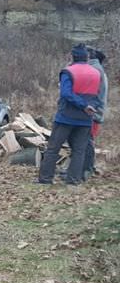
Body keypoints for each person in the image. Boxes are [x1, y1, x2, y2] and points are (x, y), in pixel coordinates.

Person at [38, 44, 101, 185]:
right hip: (85, 119)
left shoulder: (68, 71)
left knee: (53, 148)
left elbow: (66, 93)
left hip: (66, 117)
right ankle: (73, 180)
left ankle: (45, 179)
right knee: (79, 151)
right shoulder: (96, 73)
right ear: (87, 57)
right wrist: (91, 107)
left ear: (72, 56)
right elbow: (96, 96)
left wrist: (83, 105)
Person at [83, 46, 108, 179]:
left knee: (87, 142)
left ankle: (87, 169)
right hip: (95, 113)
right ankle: (85, 167)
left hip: (93, 114)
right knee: (86, 141)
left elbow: (94, 95)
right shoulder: (99, 70)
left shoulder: (95, 71)